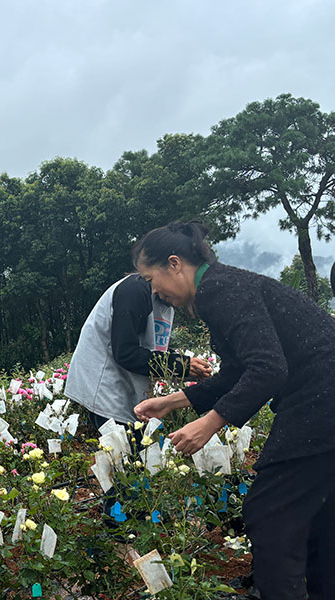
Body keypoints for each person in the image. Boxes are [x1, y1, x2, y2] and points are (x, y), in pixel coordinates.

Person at [133, 221, 335, 600]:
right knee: (322, 518)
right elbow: (240, 372)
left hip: (320, 402)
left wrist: (209, 423)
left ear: (174, 264)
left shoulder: (220, 289)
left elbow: (269, 368)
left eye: (151, 278)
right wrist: (173, 402)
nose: (155, 290)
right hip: (325, 401)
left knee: (270, 516)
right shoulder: (223, 285)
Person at [66, 272, 212, 431]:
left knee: (137, 447)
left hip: (127, 387)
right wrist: (179, 365)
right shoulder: (134, 290)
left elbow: (152, 348)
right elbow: (125, 353)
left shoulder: (166, 303)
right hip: (105, 385)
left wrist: (187, 369)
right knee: (122, 450)